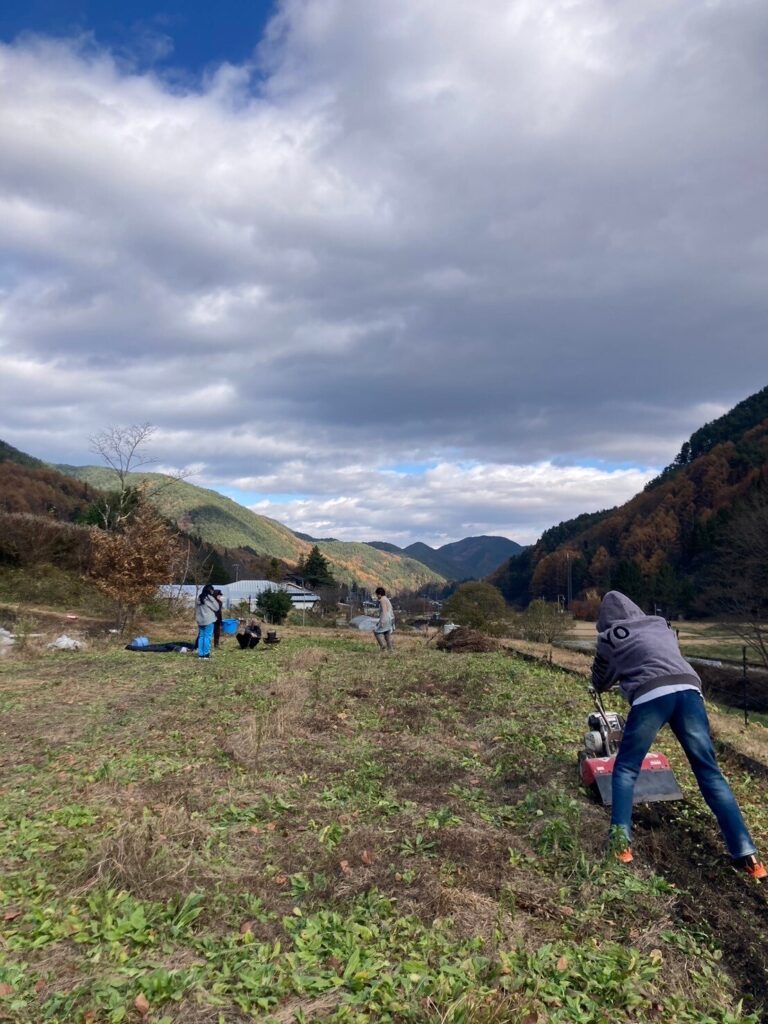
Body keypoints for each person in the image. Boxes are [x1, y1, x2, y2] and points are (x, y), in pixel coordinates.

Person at [592, 590, 765, 879]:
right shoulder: (660, 624)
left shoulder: (610, 636)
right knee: (709, 772)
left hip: (651, 696)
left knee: (625, 768)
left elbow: (602, 678)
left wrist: (603, 682)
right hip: (689, 690)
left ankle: (620, 846)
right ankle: (749, 856)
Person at [195, 584, 220, 660]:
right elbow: (216, 608)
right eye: (212, 590)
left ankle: (201, 655)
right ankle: (206, 655)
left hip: (200, 620)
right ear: (210, 590)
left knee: (201, 637)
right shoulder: (209, 599)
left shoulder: (199, 598)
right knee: (207, 637)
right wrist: (212, 598)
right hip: (208, 620)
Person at [373, 586, 395, 652]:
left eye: (377, 594)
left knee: (376, 632)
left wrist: (381, 622)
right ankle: (391, 650)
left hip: (385, 619)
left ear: (379, 594)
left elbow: (384, 611)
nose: (377, 596)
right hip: (390, 619)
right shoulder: (386, 599)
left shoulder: (382, 600)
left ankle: (383, 647)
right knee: (387, 635)